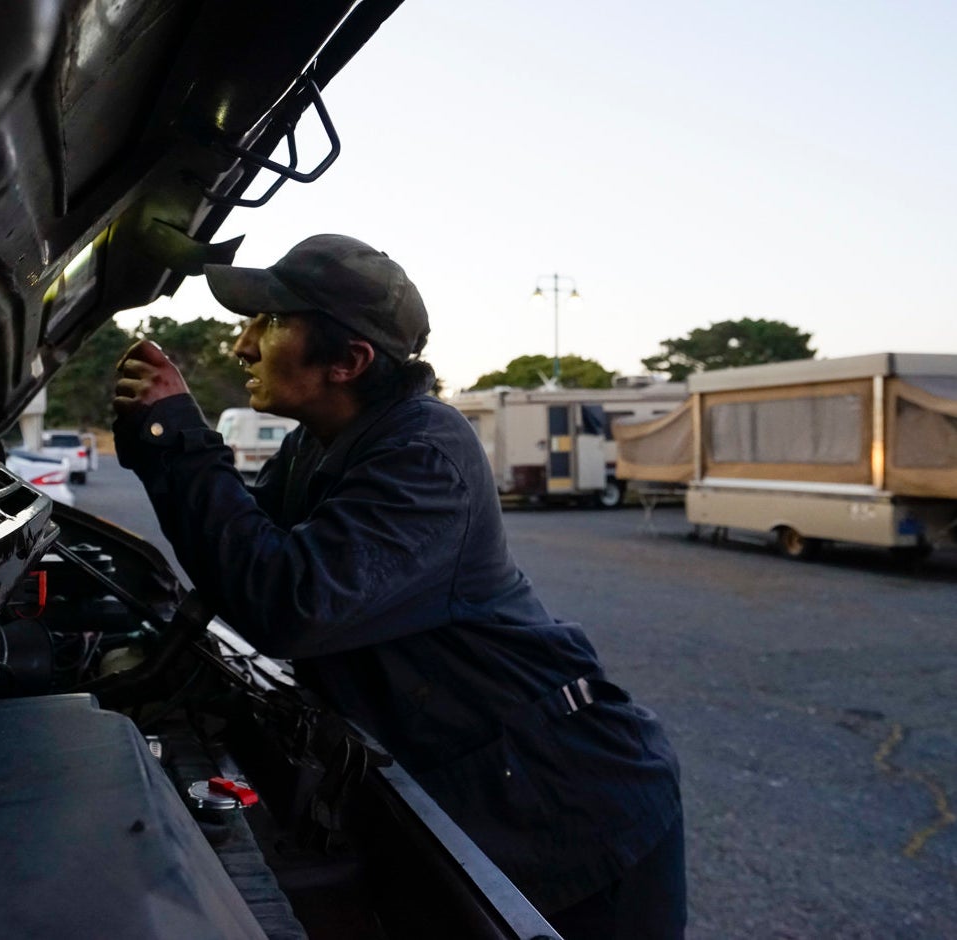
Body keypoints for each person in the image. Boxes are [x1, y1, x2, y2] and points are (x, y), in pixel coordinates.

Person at [112, 234, 686, 938]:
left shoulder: (423, 453)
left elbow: (287, 603)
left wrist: (179, 437)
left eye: (269, 323)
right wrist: (159, 447)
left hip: (569, 808)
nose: (242, 346)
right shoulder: (313, 445)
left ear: (349, 361)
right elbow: (241, 560)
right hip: (478, 797)